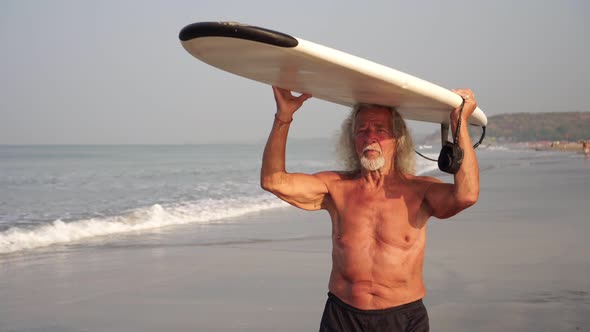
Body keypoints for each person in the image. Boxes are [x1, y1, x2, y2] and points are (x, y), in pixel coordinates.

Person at [261, 86, 480, 332]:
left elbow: (467, 194)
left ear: (398, 140)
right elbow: (273, 181)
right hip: (343, 317)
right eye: (361, 131)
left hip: (403, 318)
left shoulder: (419, 191)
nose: (370, 137)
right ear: (352, 140)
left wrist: (458, 123)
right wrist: (284, 116)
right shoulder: (335, 188)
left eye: (380, 130)